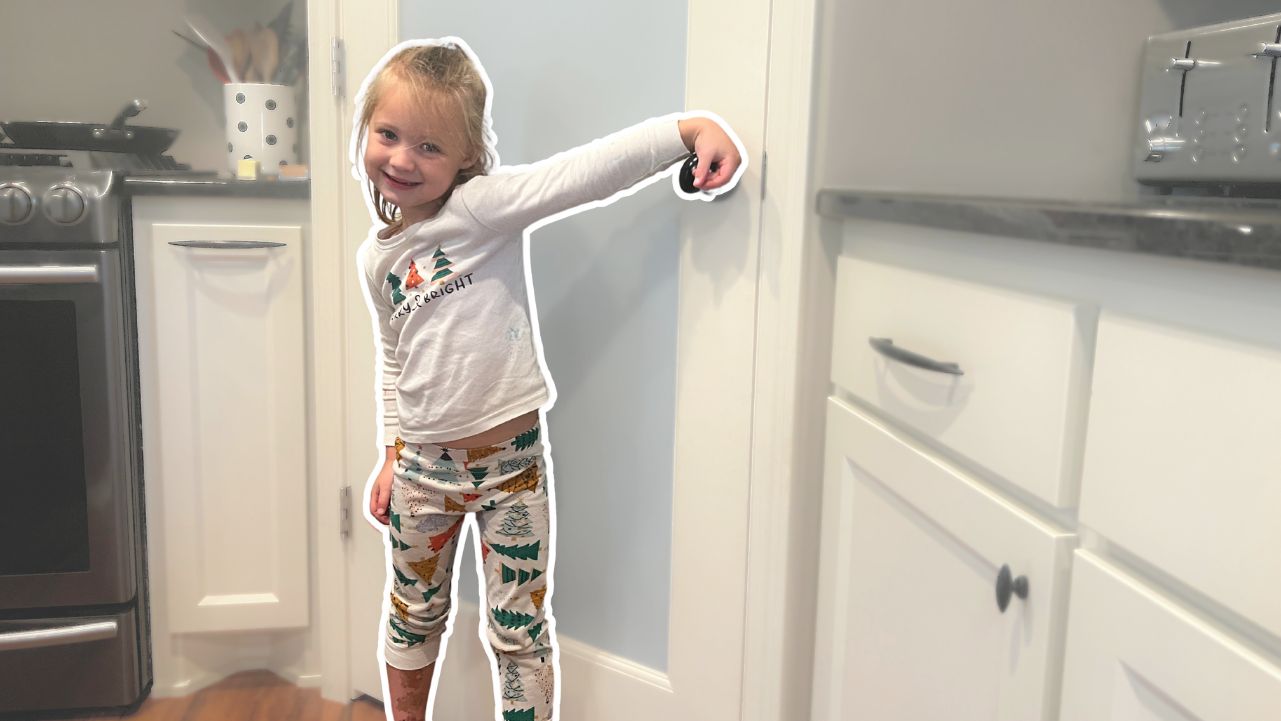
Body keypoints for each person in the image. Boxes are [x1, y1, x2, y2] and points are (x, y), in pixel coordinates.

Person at [353, 37, 744, 721]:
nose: (402, 158)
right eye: (388, 135)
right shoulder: (374, 259)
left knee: (519, 633)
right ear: (367, 133)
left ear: (467, 158)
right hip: (420, 468)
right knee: (413, 614)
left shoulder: (482, 208)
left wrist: (686, 130)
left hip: (512, 468)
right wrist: (389, 450)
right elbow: (394, 357)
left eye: (429, 146)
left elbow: (584, 172)